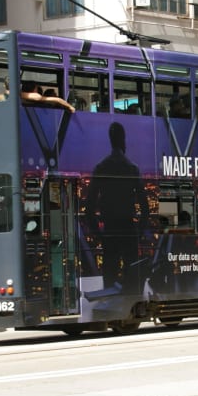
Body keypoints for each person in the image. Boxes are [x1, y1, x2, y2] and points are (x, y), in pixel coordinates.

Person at [86, 122, 148, 289]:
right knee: (132, 276)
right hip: (128, 229)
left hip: (110, 229)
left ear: (110, 139)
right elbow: (144, 205)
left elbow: (89, 204)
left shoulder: (101, 167)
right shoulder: (132, 168)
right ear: (123, 140)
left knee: (110, 276)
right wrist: (139, 231)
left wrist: (98, 233)